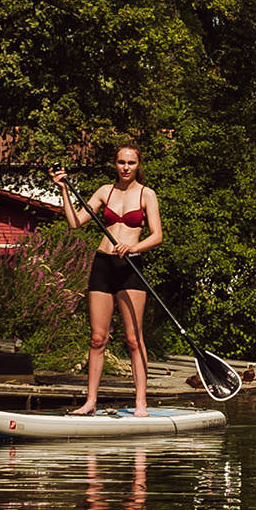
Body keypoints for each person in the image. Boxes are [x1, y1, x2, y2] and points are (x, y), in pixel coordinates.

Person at [51, 145, 162, 415]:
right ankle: (90, 402)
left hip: (131, 267)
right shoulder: (104, 192)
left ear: (138, 165)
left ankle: (140, 403)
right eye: (122, 162)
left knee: (134, 340)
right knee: (98, 339)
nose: (126, 167)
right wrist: (64, 189)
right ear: (115, 164)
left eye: (131, 163)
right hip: (103, 264)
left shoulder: (147, 194)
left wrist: (133, 248)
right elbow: (76, 222)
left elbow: (157, 235)